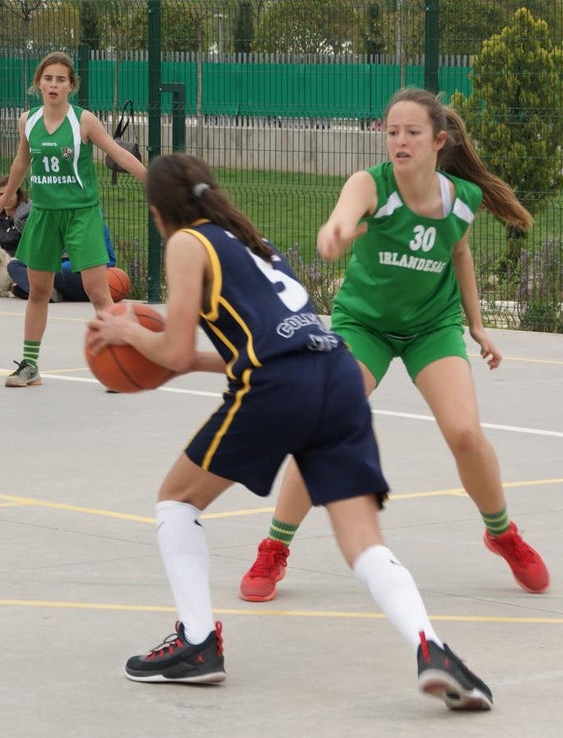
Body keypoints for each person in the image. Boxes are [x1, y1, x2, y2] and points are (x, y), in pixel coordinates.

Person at [86, 154, 493, 709]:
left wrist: (129, 333)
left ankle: (197, 644)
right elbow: (244, 350)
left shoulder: (188, 243)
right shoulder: (254, 244)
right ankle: (435, 649)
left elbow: (176, 352)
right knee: (364, 544)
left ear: (158, 211)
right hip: (336, 375)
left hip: (279, 386)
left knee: (176, 501)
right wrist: (151, 347)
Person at [239, 87, 549, 603]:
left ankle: (502, 534)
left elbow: (460, 253)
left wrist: (476, 325)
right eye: (392, 132)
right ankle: (274, 547)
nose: (399, 141)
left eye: (412, 133)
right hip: (366, 325)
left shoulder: (459, 199)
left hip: (432, 325)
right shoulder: (372, 184)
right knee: (322, 429)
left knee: (466, 433)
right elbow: (341, 216)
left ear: (438, 141)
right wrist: (333, 235)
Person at [0, 51, 146, 388]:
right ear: (38, 84)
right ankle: (30, 366)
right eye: (48, 78)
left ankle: (120, 364)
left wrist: (150, 178)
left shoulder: (84, 121)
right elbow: (21, 162)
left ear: (71, 86)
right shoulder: (28, 121)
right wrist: (8, 194)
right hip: (45, 214)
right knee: (38, 291)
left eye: (60, 79)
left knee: (97, 293)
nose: (53, 84)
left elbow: (117, 152)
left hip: (81, 214)